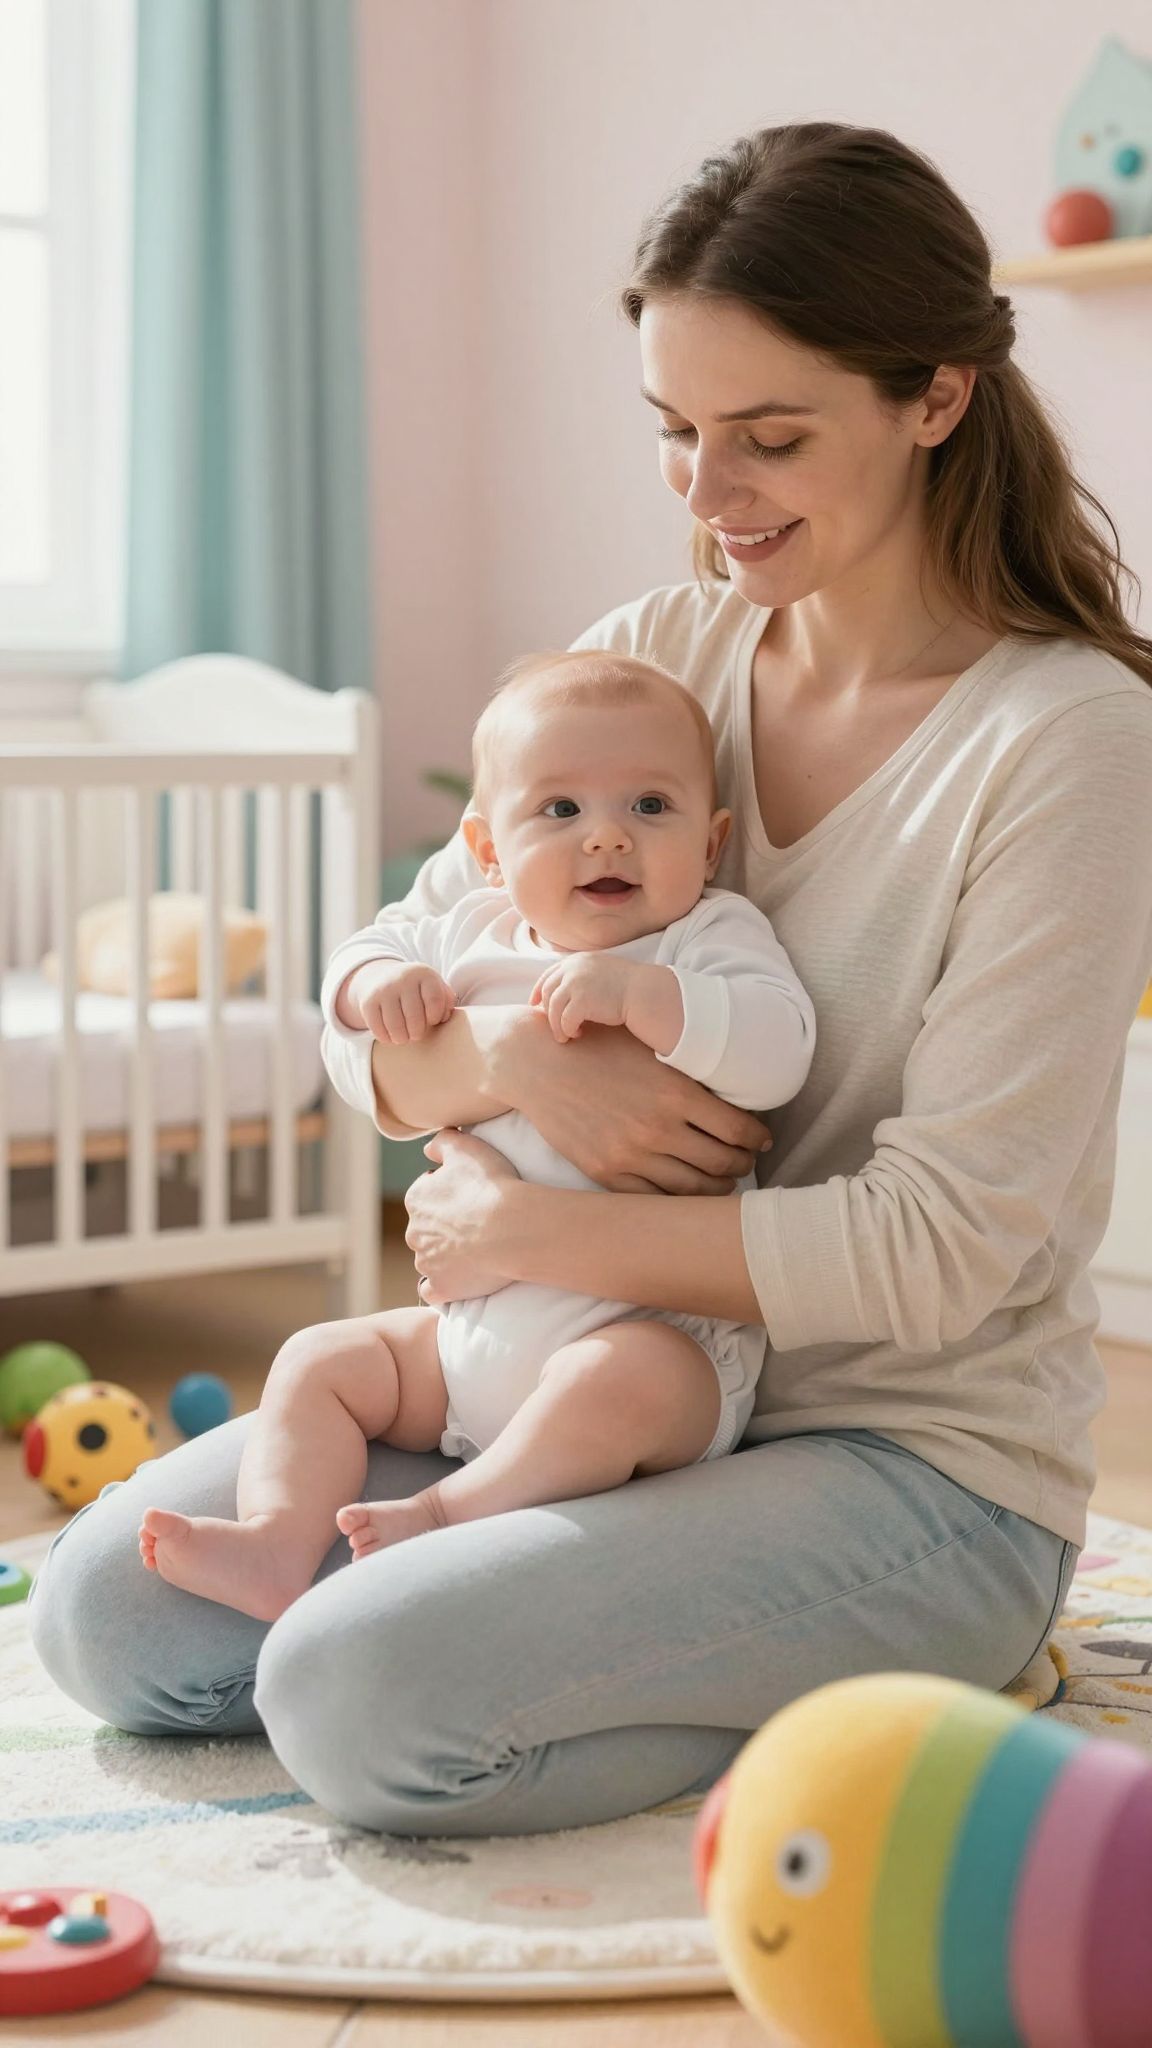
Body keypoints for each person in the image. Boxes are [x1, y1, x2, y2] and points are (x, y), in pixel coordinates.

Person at [27, 121, 1152, 1843]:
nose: (710, 499)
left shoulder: (1063, 739)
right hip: (556, 1384)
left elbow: (940, 1250)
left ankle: (891, 1697)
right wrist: (516, 1068)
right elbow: (384, 1034)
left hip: (899, 1460)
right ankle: (578, 1648)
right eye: (676, 436)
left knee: (351, 1689)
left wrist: (532, 1233)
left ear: (932, 395)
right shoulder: (659, 656)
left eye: (768, 437)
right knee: (107, 1611)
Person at [134, 651, 815, 1619]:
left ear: (711, 845)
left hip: (662, 1342)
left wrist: (651, 999)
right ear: (489, 851)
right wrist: (378, 987)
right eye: (562, 811)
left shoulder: (706, 939)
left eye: (651, 808)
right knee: (318, 1361)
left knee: (613, 1379)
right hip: (464, 1349)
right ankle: (278, 1541)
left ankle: (453, 1511)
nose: (608, 838)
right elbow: (353, 968)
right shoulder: (472, 932)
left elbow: (779, 1051)